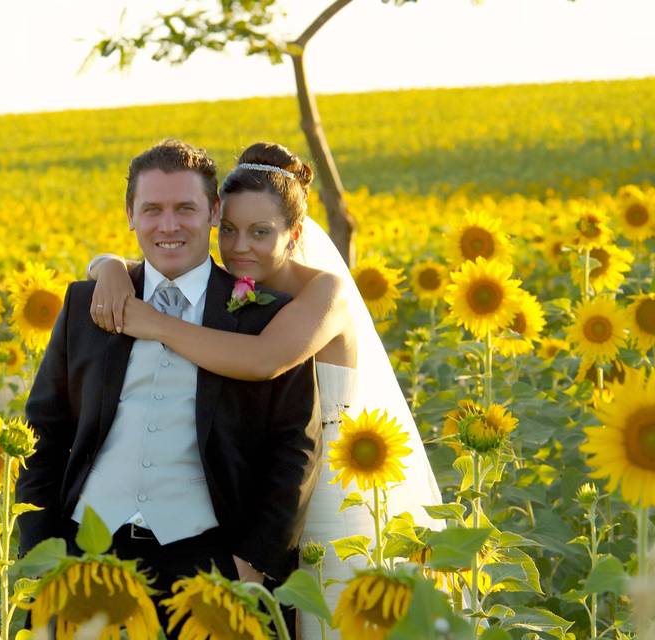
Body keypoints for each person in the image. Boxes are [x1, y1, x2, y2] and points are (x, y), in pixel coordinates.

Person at [88, 141, 444, 639]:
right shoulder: (243, 290)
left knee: (334, 619)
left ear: (293, 234)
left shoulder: (325, 291)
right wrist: (106, 266)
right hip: (259, 491)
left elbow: (264, 361)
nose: (239, 248)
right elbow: (149, 261)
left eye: (260, 232)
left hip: (331, 489)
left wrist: (154, 324)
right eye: (228, 230)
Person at [15, 139, 321, 634]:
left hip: (212, 564)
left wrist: (249, 566)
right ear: (130, 215)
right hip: (86, 555)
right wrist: (40, 555)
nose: (169, 225)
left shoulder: (266, 315)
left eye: (185, 208)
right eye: (152, 209)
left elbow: (296, 448)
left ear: (215, 212)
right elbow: (42, 433)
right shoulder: (86, 306)